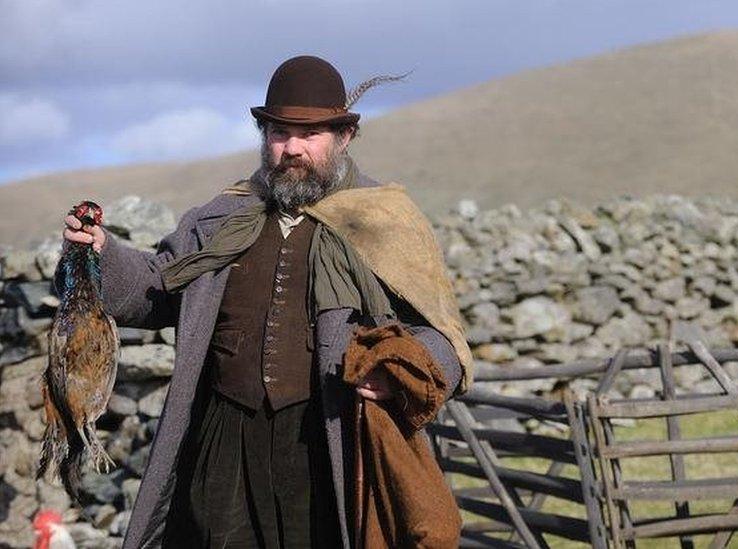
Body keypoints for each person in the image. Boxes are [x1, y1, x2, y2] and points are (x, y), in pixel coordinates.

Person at [63, 55, 472, 548]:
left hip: (327, 441)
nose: (292, 148)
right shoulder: (220, 217)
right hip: (223, 442)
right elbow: (157, 291)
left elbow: (440, 334)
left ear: (344, 137)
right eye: (279, 133)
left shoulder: (384, 221)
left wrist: (397, 372)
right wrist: (103, 254)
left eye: (311, 133)